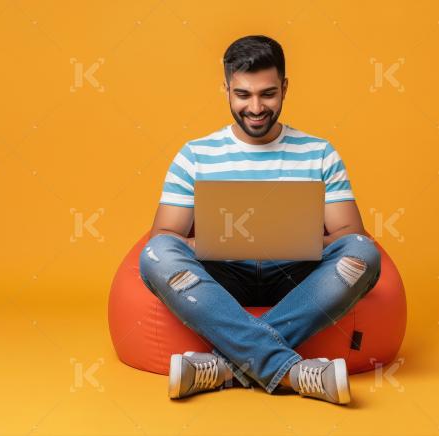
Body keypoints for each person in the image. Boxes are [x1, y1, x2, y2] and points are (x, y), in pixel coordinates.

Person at [139, 35, 381, 405]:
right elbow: (165, 235)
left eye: (268, 94)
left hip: (297, 276)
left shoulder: (319, 152)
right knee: (156, 253)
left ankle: (221, 368)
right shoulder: (195, 154)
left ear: (285, 88)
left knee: (364, 252)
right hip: (221, 280)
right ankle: (296, 372)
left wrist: (298, 240)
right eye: (243, 95)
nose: (255, 107)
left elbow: (350, 233)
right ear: (226, 89)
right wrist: (216, 243)